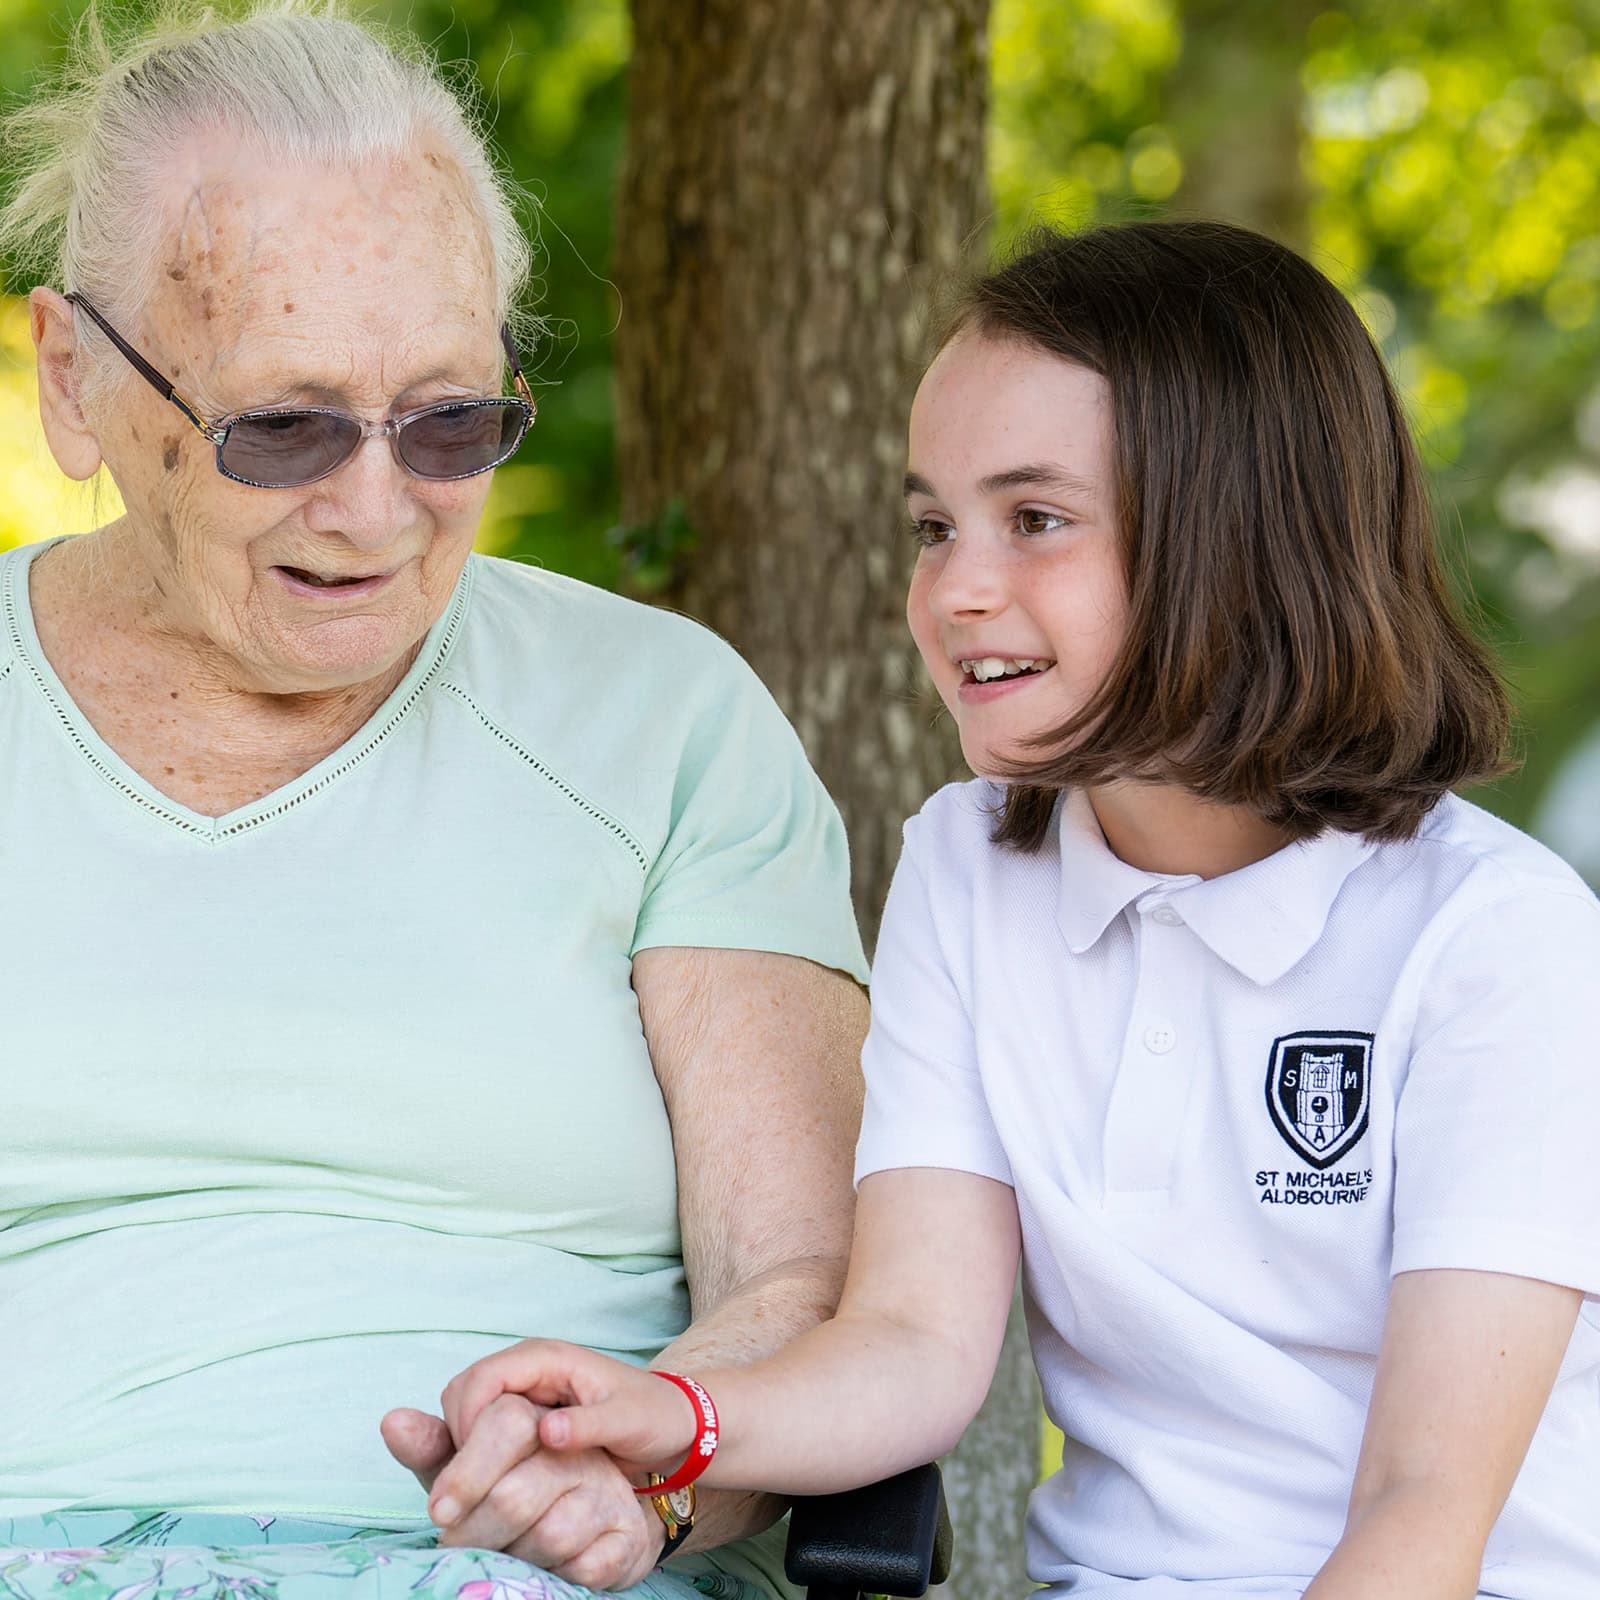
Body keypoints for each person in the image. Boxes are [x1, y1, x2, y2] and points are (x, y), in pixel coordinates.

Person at [428, 221, 1600, 1600]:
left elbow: (1423, 1518)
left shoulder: (1496, 938)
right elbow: (917, 1341)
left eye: (1035, 521)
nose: (955, 589)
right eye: (934, 527)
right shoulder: (970, 866)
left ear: (1240, 538)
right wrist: (669, 1424)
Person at [0, 6, 870, 1600]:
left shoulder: (659, 722)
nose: (377, 509)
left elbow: (804, 1282)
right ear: (74, 381)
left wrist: (650, 1473)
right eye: (284, 425)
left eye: (452, 419)